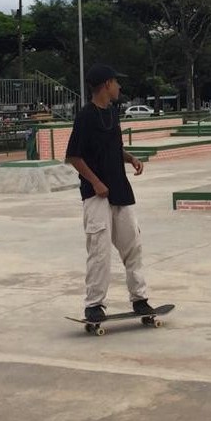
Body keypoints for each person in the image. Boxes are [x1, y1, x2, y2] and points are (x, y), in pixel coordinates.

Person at [64, 63, 155, 324]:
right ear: (106, 85)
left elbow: (113, 148)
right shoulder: (86, 116)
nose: (119, 87)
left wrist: (129, 158)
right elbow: (73, 156)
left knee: (133, 246)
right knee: (100, 250)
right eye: (116, 82)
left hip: (120, 189)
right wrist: (95, 182)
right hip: (96, 195)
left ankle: (140, 299)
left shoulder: (113, 113)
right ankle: (94, 305)